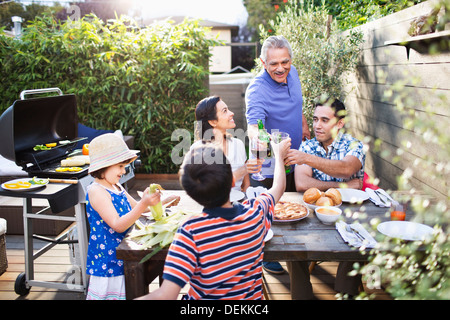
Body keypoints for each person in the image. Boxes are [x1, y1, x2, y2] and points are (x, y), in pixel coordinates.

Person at [136, 137, 291, 300]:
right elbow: (279, 187)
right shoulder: (255, 213)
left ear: (192, 194)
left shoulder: (190, 232)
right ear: (232, 181)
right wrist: (278, 154)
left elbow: (165, 295)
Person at [284, 98, 366, 299]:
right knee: (292, 249)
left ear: (340, 123)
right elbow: (302, 183)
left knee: (357, 246)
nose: (317, 125)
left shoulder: (355, 145)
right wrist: (344, 186)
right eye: (314, 119)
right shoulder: (308, 146)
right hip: (312, 218)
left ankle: (345, 294)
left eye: (324, 120)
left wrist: (308, 160)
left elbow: (347, 167)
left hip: (348, 216)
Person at [245, 35, 310, 274]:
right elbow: (254, 125)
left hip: (292, 157)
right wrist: (262, 138)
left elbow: (297, 103)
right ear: (263, 63)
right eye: (273, 64)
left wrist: (303, 124)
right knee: (268, 214)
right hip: (269, 165)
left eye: (285, 62)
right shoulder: (257, 90)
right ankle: (265, 255)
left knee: (291, 209)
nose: (280, 68)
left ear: (290, 60)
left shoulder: (293, 74)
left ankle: (294, 253)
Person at [85, 133, 162, 300]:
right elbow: (117, 224)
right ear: (104, 166)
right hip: (109, 261)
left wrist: (156, 201)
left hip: (125, 255)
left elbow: (139, 208)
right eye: (120, 166)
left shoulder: (116, 186)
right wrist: (143, 204)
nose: (124, 170)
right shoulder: (96, 191)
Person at [191, 96, 262, 192]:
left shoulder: (238, 144)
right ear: (213, 122)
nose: (232, 113)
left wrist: (245, 204)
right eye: (225, 111)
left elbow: (246, 185)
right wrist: (243, 170)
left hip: (238, 203)